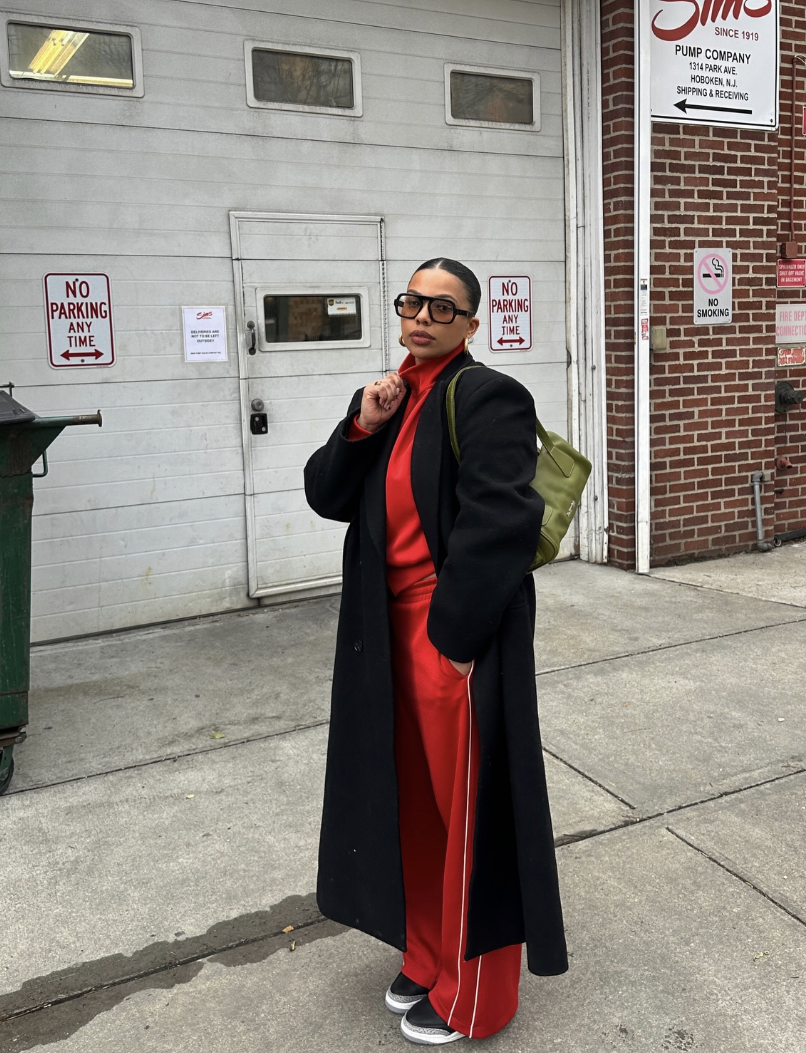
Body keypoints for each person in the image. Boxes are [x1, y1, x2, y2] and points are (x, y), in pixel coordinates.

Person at [304, 258, 567, 1045]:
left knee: (468, 818)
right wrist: (362, 424)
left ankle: (478, 996)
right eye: (412, 302)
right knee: (411, 806)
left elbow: (502, 522)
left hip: (448, 636)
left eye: (442, 307)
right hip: (385, 637)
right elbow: (326, 494)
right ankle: (426, 953)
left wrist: (455, 644)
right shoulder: (392, 396)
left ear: (471, 324)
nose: (422, 316)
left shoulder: (486, 396)